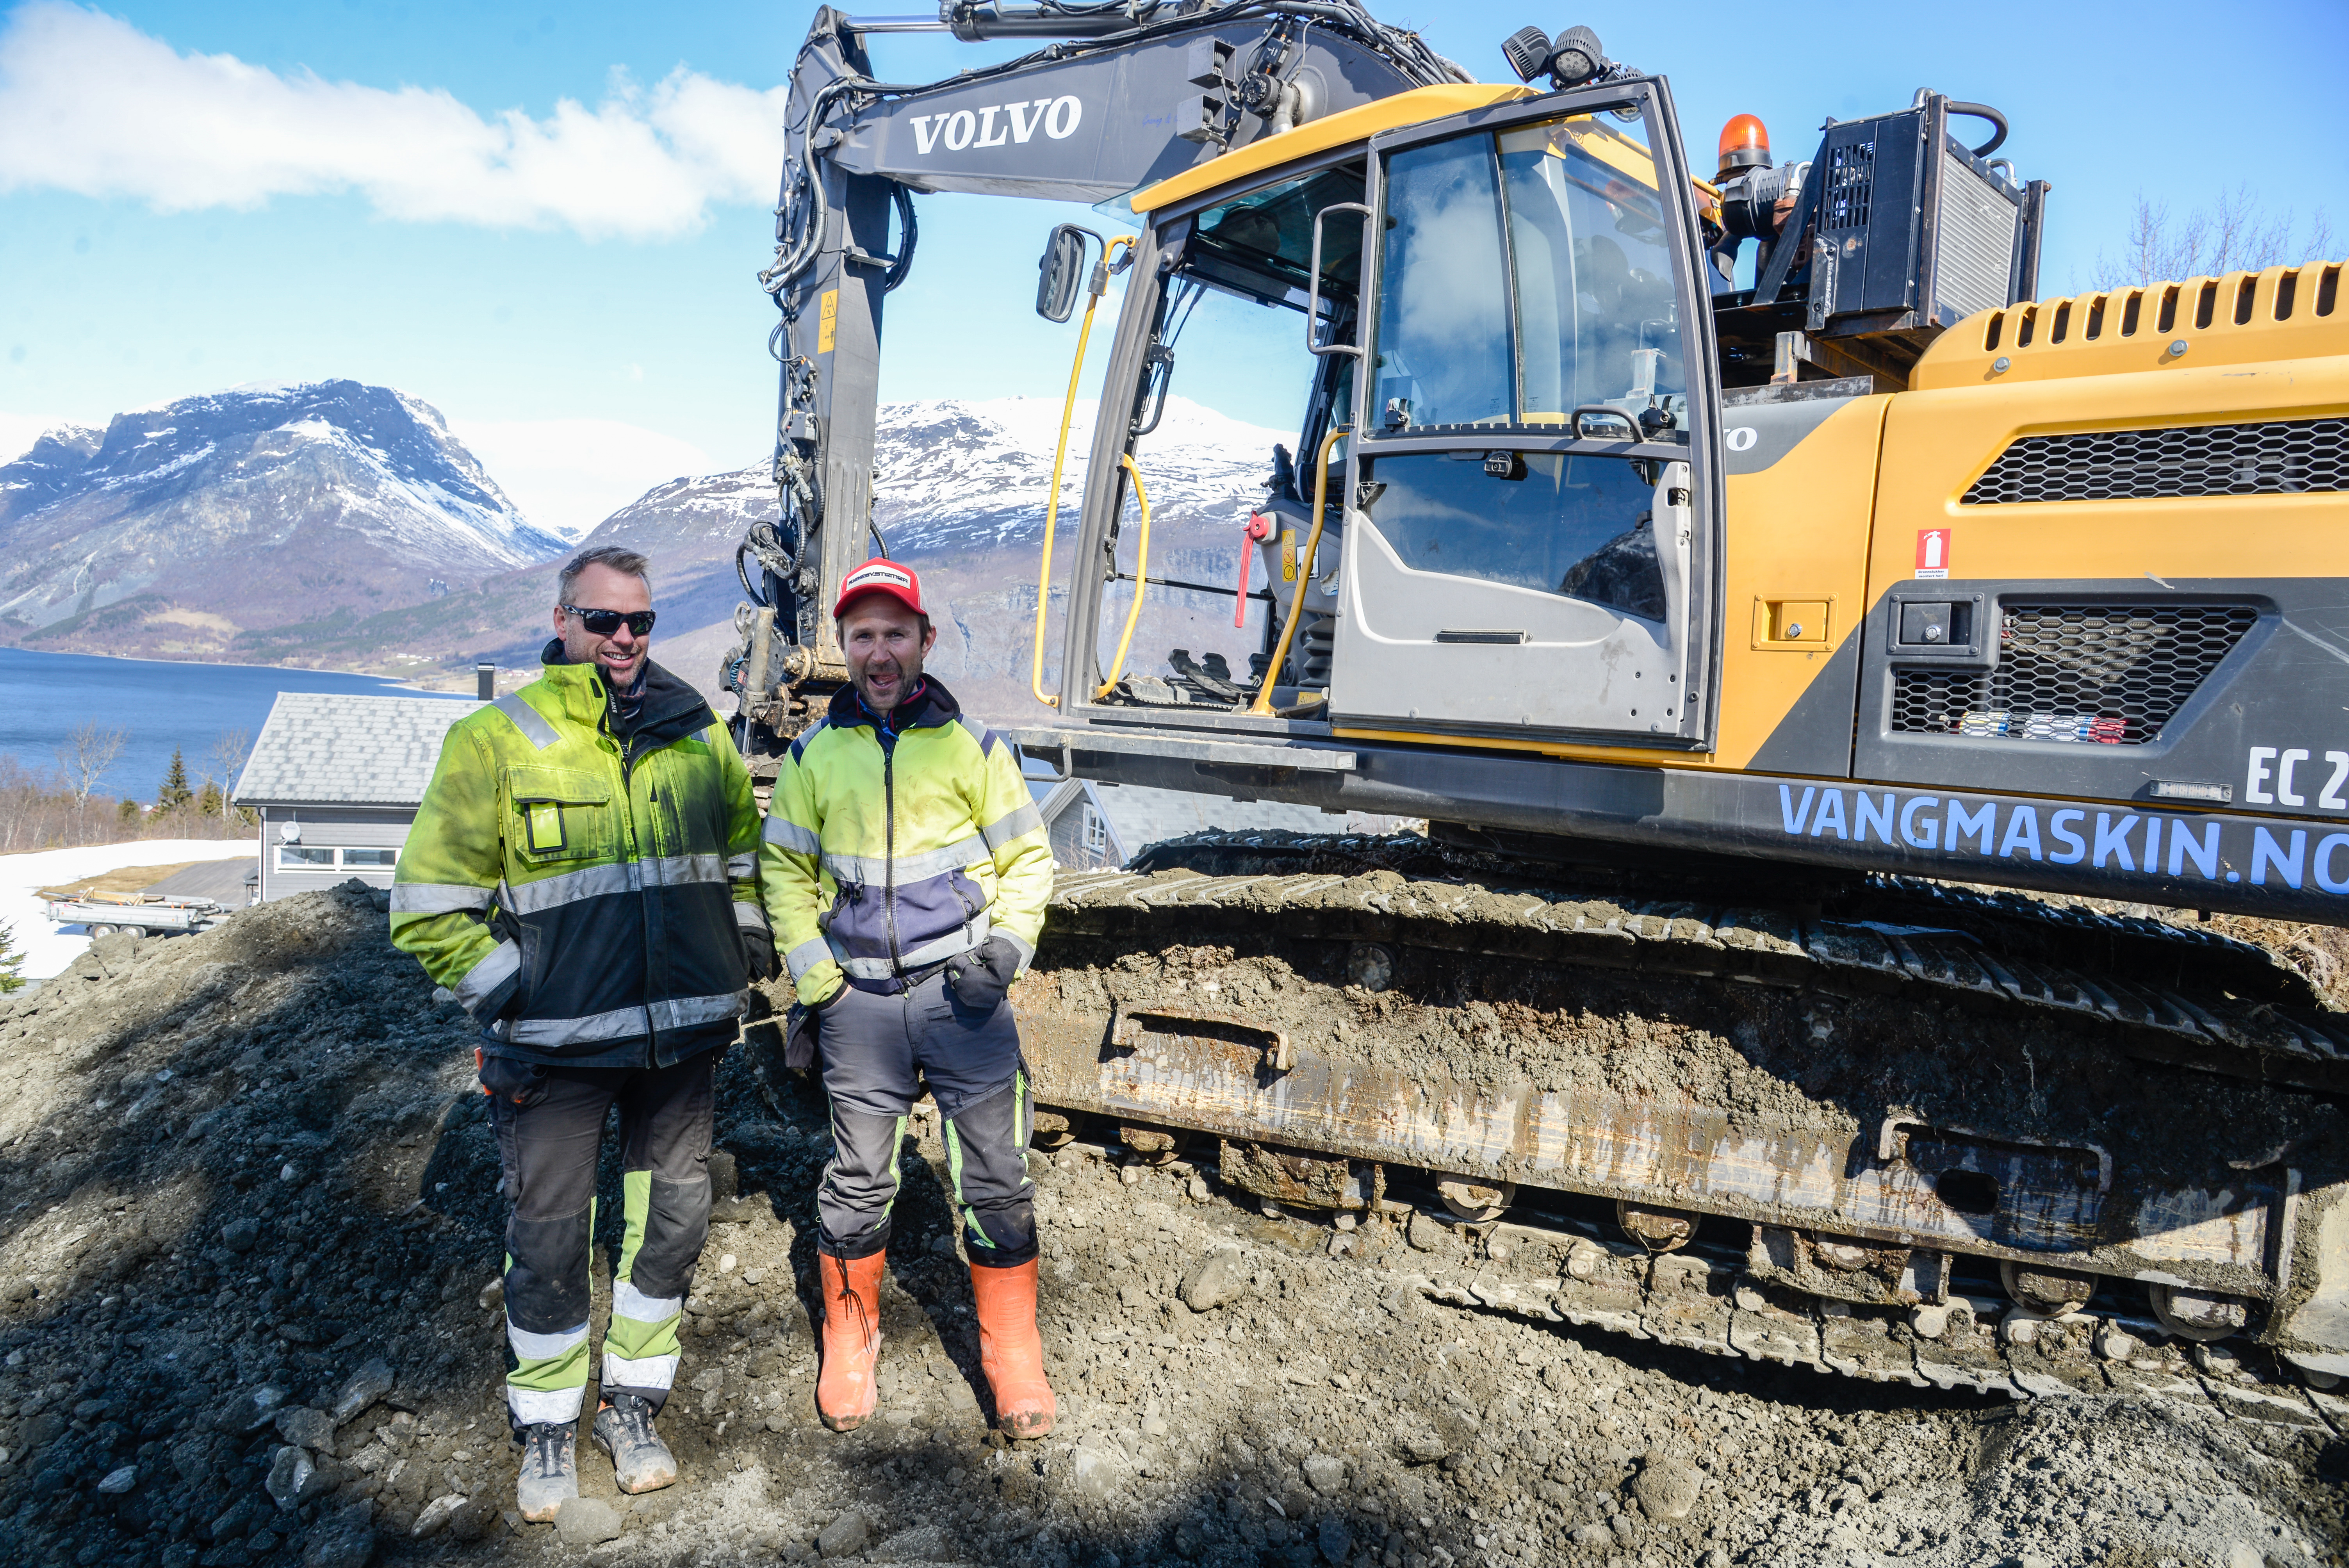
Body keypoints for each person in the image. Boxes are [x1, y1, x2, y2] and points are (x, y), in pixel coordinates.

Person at [389, 544, 773, 1522]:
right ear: (562, 621)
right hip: (551, 1052)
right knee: (552, 1240)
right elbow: (428, 906)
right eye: (601, 620)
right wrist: (514, 988)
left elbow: (742, 858)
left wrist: (744, 951)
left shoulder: (699, 735)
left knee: (670, 1227)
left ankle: (633, 1405)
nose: (622, 639)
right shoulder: (495, 739)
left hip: (680, 1044)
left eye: (638, 622)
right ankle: (550, 1427)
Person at [759, 557, 1057, 1436]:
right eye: (862, 636)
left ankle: (1013, 1353)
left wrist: (1002, 952)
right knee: (856, 1180)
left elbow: (1027, 862)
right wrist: (818, 982)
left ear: (925, 641)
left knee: (997, 1174)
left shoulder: (975, 749)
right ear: (843, 649)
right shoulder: (816, 755)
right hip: (858, 1004)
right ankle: (850, 1343)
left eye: (895, 633)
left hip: (961, 998)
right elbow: (782, 871)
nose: (878, 651)